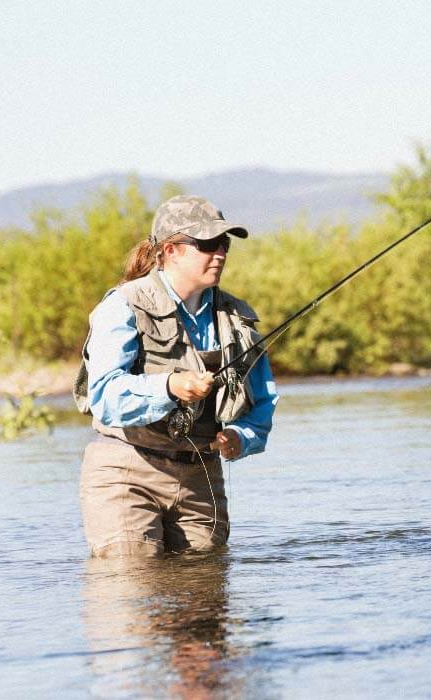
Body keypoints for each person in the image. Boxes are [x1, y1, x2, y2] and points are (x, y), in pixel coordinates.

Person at [74, 195, 279, 557]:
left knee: (204, 592)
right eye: (207, 245)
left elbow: (262, 403)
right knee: (133, 578)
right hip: (126, 468)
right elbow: (103, 395)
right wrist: (169, 386)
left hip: (200, 472)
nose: (220, 254)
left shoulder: (237, 317)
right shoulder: (123, 306)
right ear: (171, 250)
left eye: (224, 244)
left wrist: (239, 437)